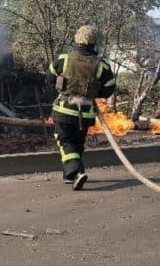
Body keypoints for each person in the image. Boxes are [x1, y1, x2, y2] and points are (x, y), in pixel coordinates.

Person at [47, 25, 117, 190]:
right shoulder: (102, 65)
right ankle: (70, 175)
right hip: (86, 113)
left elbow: (50, 77)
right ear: (95, 42)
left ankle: (76, 172)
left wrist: (62, 85)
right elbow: (109, 88)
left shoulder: (64, 58)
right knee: (77, 143)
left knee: (64, 141)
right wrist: (93, 92)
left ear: (77, 38)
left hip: (64, 110)